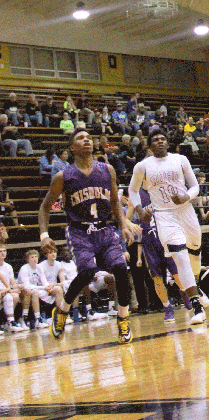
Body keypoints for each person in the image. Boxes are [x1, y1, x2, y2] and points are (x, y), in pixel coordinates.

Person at [38, 129, 140, 344]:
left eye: (88, 137)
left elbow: (114, 201)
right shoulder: (63, 176)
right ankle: (62, 311)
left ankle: (123, 318)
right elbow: (45, 207)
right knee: (86, 272)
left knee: (121, 269)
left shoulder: (107, 170)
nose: (86, 140)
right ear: (72, 148)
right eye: (80, 138)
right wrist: (44, 235)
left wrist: (122, 225)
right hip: (79, 230)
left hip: (104, 228)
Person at [128, 127, 209, 325]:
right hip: (164, 216)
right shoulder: (142, 166)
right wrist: (139, 210)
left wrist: (186, 196)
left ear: (168, 142)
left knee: (194, 253)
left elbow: (195, 186)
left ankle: (195, 285)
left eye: (163, 138)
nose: (160, 142)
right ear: (149, 145)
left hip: (186, 211)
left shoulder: (180, 160)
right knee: (180, 257)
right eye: (155, 139)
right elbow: (132, 190)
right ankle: (197, 307)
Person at [126, 186, 194, 323]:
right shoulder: (135, 193)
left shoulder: (161, 187)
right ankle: (167, 308)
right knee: (157, 277)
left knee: (177, 274)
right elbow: (125, 218)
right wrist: (130, 225)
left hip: (167, 235)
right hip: (149, 240)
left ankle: (183, 292)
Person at [17, 249, 52, 328]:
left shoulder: (39, 267)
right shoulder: (24, 268)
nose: (34, 259)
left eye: (36, 257)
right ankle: (33, 318)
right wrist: (44, 287)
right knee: (34, 292)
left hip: (35, 289)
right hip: (23, 291)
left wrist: (48, 287)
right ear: (27, 259)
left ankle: (51, 316)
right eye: (32, 257)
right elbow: (27, 285)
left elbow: (44, 281)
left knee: (55, 290)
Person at [0, 245, 25, 331]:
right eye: (0, 251)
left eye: (4, 251)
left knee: (12, 296)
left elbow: (12, 283)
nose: (3, 253)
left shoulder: (8, 266)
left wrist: (18, 286)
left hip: (6, 291)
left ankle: (10, 322)